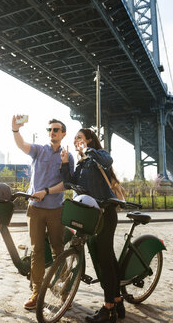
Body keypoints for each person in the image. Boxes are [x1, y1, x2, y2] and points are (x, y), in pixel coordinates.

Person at [59, 128, 124, 323]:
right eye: (75, 139)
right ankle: (118, 301)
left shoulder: (98, 156)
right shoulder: (82, 164)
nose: (77, 141)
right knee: (106, 258)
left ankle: (109, 309)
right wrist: (64, 163)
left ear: (89, 139)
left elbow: (108, 161)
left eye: (80, 137)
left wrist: (88, 150)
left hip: (106, 212)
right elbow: (69, 184)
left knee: (104, 259)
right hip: (91, 214)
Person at [11, 115, 74, 310]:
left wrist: (46, 192)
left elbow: (66, 184)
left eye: (56, 130)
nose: (52, 133)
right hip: (35, 209)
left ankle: (64, 293)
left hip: (56, 209)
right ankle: (37, 292)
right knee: (37, 250)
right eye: (50, 130)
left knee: (58, 251)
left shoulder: (67, 156)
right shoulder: (39, 150)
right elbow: (22, 145)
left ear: (63, 134)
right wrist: (15, 130)